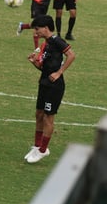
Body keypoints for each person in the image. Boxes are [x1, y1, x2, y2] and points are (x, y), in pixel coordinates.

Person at [25, 15, 75, 164]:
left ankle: (43, 150)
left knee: (48, 117)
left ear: (46, 28)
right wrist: (34, 62)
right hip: (44, 83)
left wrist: (59, 72)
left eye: (37, 29)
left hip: (55, 86)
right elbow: (43, 67)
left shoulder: (57, 41)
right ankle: (36, 146)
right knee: (39, 114)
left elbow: (71, 55)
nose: (36, 32)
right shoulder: (45, 45)